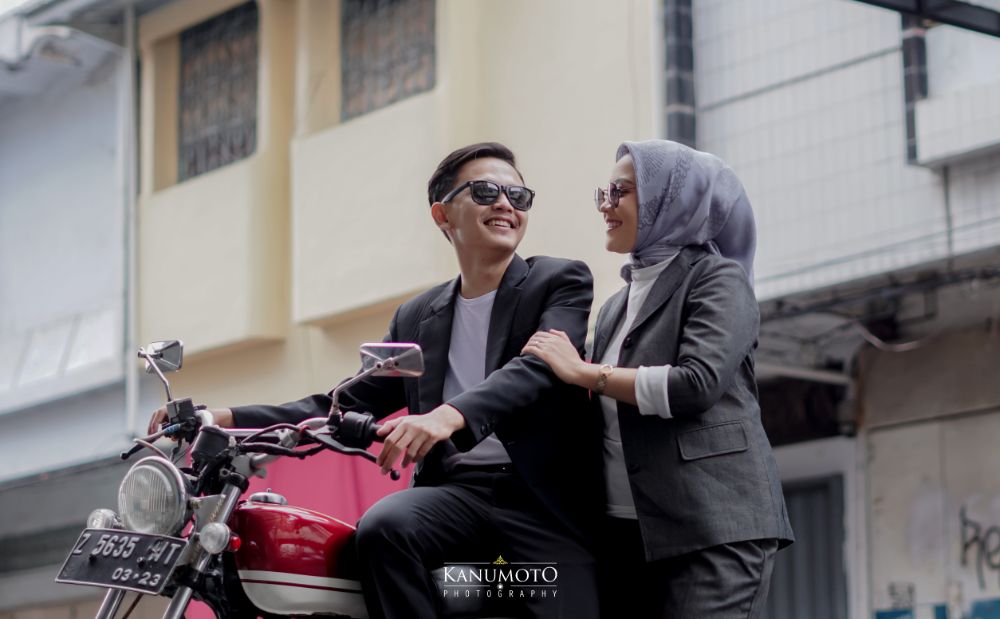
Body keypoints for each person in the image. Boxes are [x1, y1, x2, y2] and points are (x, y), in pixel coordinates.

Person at [149, 142, 603, 619]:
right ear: (442, 214)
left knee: (558, 604)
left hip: (542, 506)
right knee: (383, 528)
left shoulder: (559, 280)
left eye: (518, 195)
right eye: (486, 192)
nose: (506, 204)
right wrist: (224, 417)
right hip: (457, 495)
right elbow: (337, 405)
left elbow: (538, 368)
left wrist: (447, 416)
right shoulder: (417, 317)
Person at [522, 139, 794, 618]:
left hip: (714, 529)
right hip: (628, 536)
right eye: (604, 192)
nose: (606, 205)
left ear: (670, 200)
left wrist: (584, 372)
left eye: (621, 192)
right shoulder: (614, 307)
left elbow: (696, 384)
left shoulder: (717, 278)